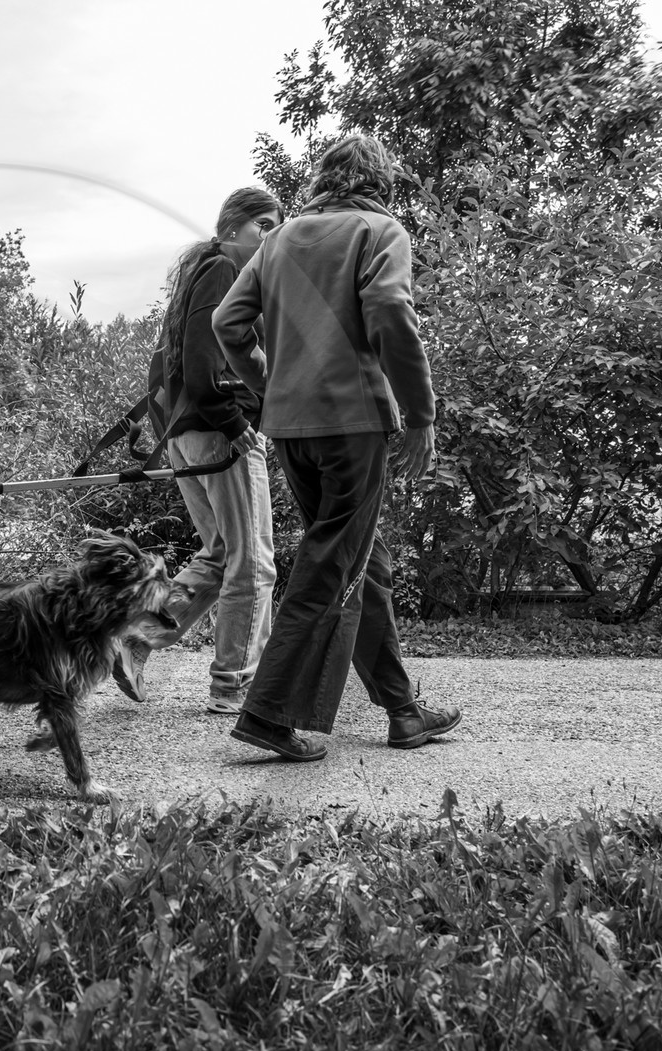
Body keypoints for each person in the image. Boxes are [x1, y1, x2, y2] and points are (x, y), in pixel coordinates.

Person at [212, 134, 460, 762]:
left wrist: (271, 384)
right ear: (382, 182)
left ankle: (403, 710)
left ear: (325, 178)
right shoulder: (379, 231)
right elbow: (388, 308)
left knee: (358, 561)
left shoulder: (279, 240)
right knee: (331, 563)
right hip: (353, 425)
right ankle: (267, 711)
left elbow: (227, 324)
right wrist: (420, 415)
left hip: (291, 428)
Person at [112, 188, 283, 715]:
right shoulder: (223, 273)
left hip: (188, 436)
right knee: (254, 563)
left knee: (223, 553)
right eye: (263, 226)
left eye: (276, 227)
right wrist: (235, 424)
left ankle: (138, 637)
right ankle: (236, 683)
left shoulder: (205, 273)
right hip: (217, 434)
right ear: (232, 229)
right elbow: (207, 365)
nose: (271, 236)